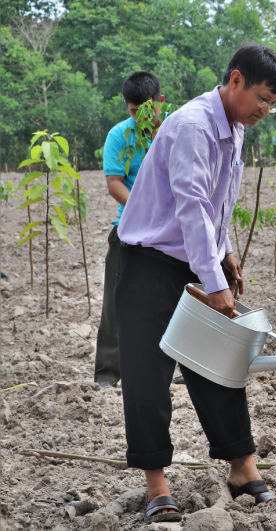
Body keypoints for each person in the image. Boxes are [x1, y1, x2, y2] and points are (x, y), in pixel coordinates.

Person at [115, 44, 276, 522]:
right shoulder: (194, 126)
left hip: (193, 258)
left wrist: (225, 252)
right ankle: (156, 486)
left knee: (219, 362)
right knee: (147, 378)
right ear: (236, 81)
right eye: (262, 98)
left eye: (273, 104)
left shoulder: (232, 129)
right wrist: (214, 281)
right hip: (148, 262)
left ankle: (242, 466)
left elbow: (216, 207)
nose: (265, 110)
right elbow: (191, 204)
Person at [94, 71, 164, 387]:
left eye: (147, 109)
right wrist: (143, 209)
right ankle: (108, 373)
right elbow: (114, 184)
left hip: (168, 235)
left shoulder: (172, 133)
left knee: (166, 303)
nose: (141, 116)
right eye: (134, 111)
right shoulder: (119, 136)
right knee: (115, 303)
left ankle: (162, 369)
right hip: (128, 229)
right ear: (128, 107)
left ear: (160, 103)